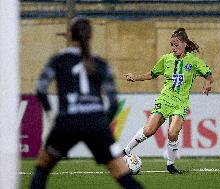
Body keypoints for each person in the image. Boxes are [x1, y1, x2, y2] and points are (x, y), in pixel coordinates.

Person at [30, 17, 143, 189]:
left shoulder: (58, 59)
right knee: (123, 176)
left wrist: (51, 115)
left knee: (42, 168)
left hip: (67, 121)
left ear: (69, 35)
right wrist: (101, 125)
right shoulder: (101, 63)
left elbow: (40, 88)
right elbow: (113, 102)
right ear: (91, 35)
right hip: (96, 123)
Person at [123, 28, 214, 174]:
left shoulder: (194, 61)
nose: (173, 48)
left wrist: (208, 83)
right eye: (171, 45)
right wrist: (136, 77)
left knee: (172, 133)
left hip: (180, 103)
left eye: (176, 44)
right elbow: (152, 74)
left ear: (184, 44)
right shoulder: (166, 59)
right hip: (165, 99)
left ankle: (170, 165)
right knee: (149, 130)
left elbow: (209, 75)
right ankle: (126, 150)